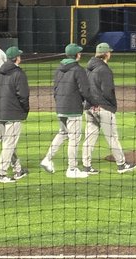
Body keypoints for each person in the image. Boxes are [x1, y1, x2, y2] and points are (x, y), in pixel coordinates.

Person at [39, 44, 100, 178]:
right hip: (73, 109)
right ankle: (72, 169)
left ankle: (47, 159)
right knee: (74, 138)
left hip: (61, 107)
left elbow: (55, 90)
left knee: (63, 133)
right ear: (76, 55)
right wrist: (94, 103)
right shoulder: (78, 70)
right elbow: (85, 91)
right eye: (79, 53)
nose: (80, 54)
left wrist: (60, 104)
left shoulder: (59, 69)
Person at [83, 43, 136, 174]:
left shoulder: (87, 68)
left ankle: (86, 166)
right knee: (112, 137)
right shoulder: (104, 69)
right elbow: (108, 91)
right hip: (103, 107)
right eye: (109, 52)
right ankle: (121, 165)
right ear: (106, 54)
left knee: (89, 137)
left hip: (89, 107)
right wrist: (112, 106)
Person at [0, 46, 30, 183]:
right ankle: (1, 174)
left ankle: (18, 169)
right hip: (13, 113)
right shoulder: (19, 73)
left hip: (0, 112)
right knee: (9, 144)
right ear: (17, 58)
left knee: (8, 143)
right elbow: (23, 95)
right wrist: (25, 109)